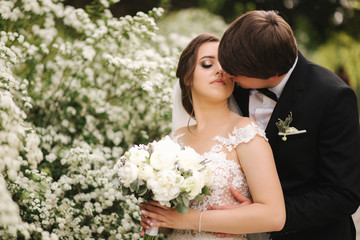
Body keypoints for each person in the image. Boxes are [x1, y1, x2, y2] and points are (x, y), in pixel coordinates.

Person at [214, 10, 360, 240]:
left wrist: (262, 217)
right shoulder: (235, 89)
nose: (226, 75)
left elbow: (342, 194)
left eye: (235, 74)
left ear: (272, 74)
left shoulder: (333, 97)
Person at [140, 34, 286, 239]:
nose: (220, 70)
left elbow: (274, 216)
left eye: (226, 65)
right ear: (187, 76)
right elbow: (171, 223)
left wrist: (189, 219)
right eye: (207, 64)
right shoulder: (174, 140)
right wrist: (156, 217)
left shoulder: (245, 132)